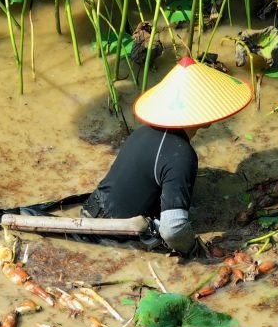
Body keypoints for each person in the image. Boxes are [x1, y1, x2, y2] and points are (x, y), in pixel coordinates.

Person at [83, 56, 253, 255]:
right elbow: (173, 230)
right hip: (113, 238)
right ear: (206, 116)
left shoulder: (142, 132)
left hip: (90, 212)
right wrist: (196, 251)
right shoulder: (181, 155)